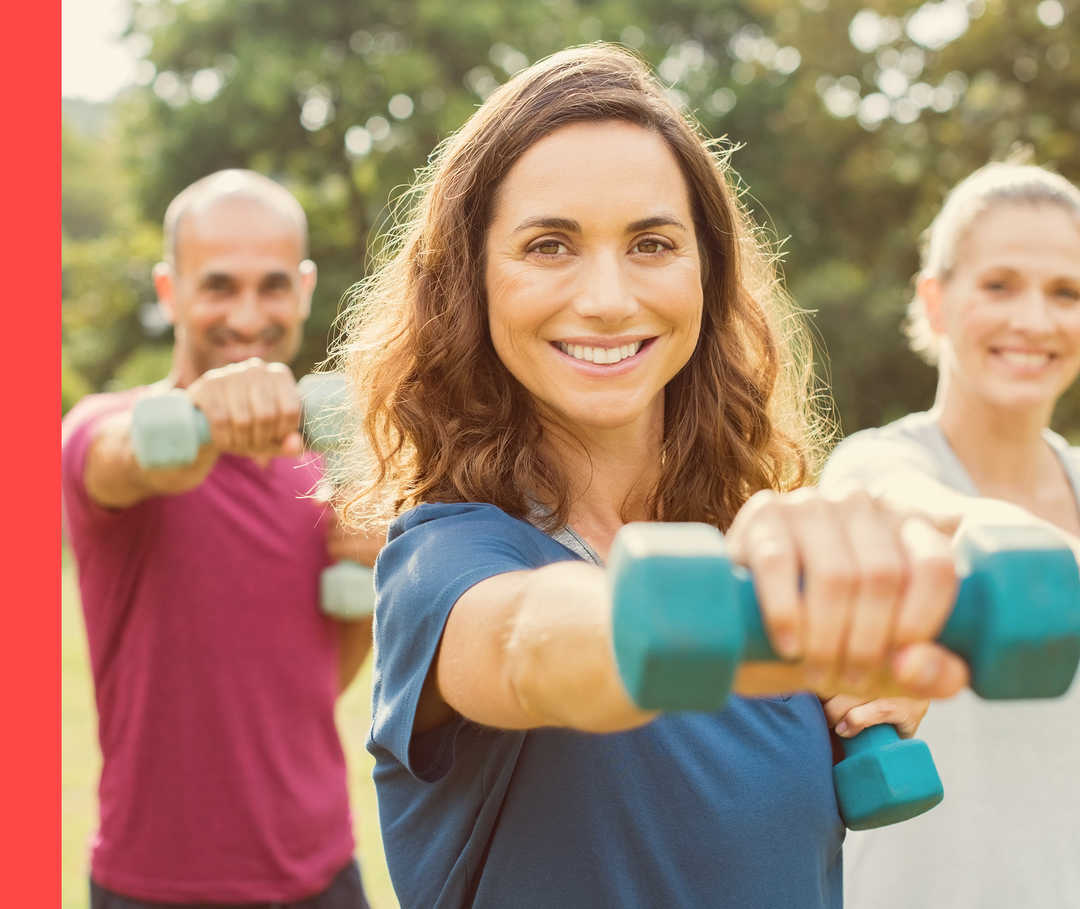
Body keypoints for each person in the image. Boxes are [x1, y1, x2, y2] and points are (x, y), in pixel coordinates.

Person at [329, 45, 977, 909]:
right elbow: (533, 647)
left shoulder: (756, 566)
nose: (607, 296)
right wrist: (769, 621)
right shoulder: (445, 568)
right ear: (470, 279)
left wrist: (855, 653)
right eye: (550, 244)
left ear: (705, 271)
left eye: (652, 243)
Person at [61, 170, 380, 908]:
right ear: (169, 291)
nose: (247, 315)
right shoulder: (100, 432)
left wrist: (362, 576)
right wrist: (199, 413)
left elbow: (310, 685)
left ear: (303, 290)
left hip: (324, 871)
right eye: (218, 286)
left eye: (271, 286)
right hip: (155, 885)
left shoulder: (322, 473)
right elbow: (127, 459)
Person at [822, 160, 1080, 906]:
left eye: (1066, 292)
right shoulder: (875, 467)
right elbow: (905, 506)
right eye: (999, 285)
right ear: (935, 302)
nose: (1034, 320)